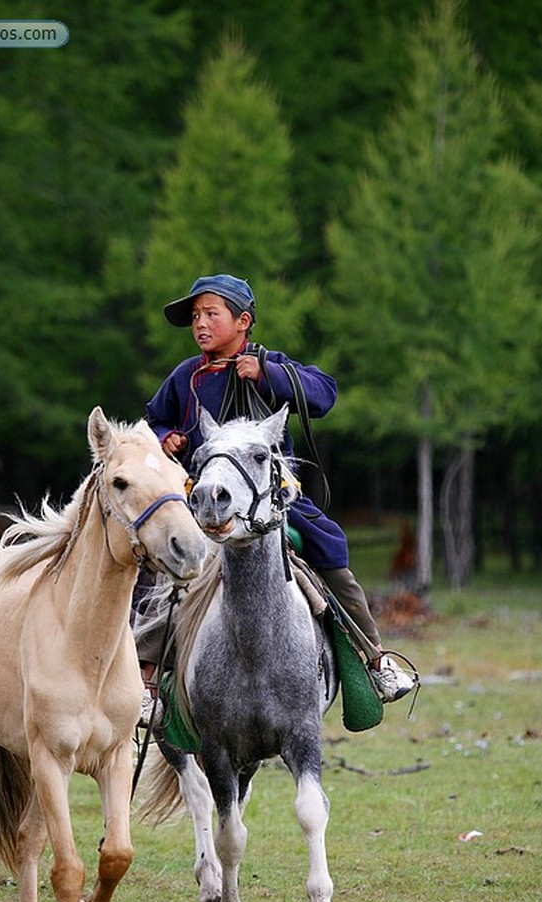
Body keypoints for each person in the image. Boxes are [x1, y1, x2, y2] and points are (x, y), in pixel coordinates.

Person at [139, 273, 415, 723]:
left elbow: (324, 393)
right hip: (202, 502)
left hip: (270, 499)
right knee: (165, 571)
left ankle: (375, 659)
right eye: (195, 317)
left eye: (212, 314)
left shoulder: (271, 364)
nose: (201, 324)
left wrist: (268, 374)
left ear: (243, 321)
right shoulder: (185, 377)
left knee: (328, 547)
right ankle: (148, 682)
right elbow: (152, 419)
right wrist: (165, 435)